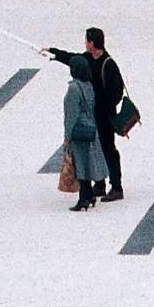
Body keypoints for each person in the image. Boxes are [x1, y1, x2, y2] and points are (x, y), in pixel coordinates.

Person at [44, 28, 115, 210]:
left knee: (98, 154)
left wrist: (67, 135)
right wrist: (54, 53)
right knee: (94, 155)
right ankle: (97, 186)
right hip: (92, 120)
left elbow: (71, 114)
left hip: (99, 120)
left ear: (92, 42)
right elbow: (72, 58)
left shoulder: (105, 66)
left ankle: (109, 187)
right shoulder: (88, 75)